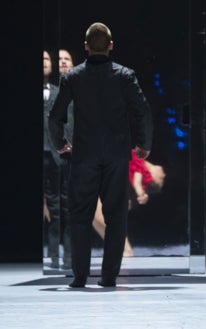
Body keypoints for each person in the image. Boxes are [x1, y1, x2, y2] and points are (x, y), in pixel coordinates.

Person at [49, 22, 153, 288]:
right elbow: (142, 110)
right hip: (117, 155)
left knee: (80, 215)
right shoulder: (124, 75)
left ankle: (80, 276)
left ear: (85, 47)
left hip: (84, 155)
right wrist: (144, 144)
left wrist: (59, 143)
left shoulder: (73, 77)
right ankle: (108, 277)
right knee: (116, 216)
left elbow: (56, 115)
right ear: (110, 46)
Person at [92, 151, 166, 257]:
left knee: (97, 211)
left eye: (161, 178)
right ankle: (119, 248)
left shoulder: (140, 167)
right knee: (94, 213)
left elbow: (137, 183)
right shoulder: (138, 162)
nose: (163, 174)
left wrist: (141, 193)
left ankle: (124, 249)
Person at [43, 50, 73, 270]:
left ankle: (68, 257)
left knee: (67, 206)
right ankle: (54, 256)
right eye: (59, 59)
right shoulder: (54, 92)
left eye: (67, 59)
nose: (62, 62)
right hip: (49, 154)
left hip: (67, 155)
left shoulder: (75, 92)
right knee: (54, 207)